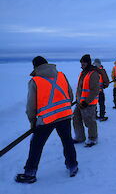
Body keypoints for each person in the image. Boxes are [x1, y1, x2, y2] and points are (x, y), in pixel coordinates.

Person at [15, 56, 78, 184]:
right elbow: (70, 95)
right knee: (67, 141)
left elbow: (31, 106)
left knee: (36, 145)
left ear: (35, 67)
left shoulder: (35, 81)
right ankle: (73, 166)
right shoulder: (61, 75)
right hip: (65, 115)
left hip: (46, 120)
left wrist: (33, 121)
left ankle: (30, 173)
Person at [73, 54, 99, 147]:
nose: (82, 64)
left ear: (88, 63)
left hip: (89, 103)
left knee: (90, 121)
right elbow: (80, 88)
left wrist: (86, 102)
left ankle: (93, 138)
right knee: (76, 119)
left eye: (83, 62)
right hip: (80, 102)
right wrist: (77, 99)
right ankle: (80, 137)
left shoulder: (93, 74)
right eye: (81, 62)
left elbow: (95, 90)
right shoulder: (83, 73)